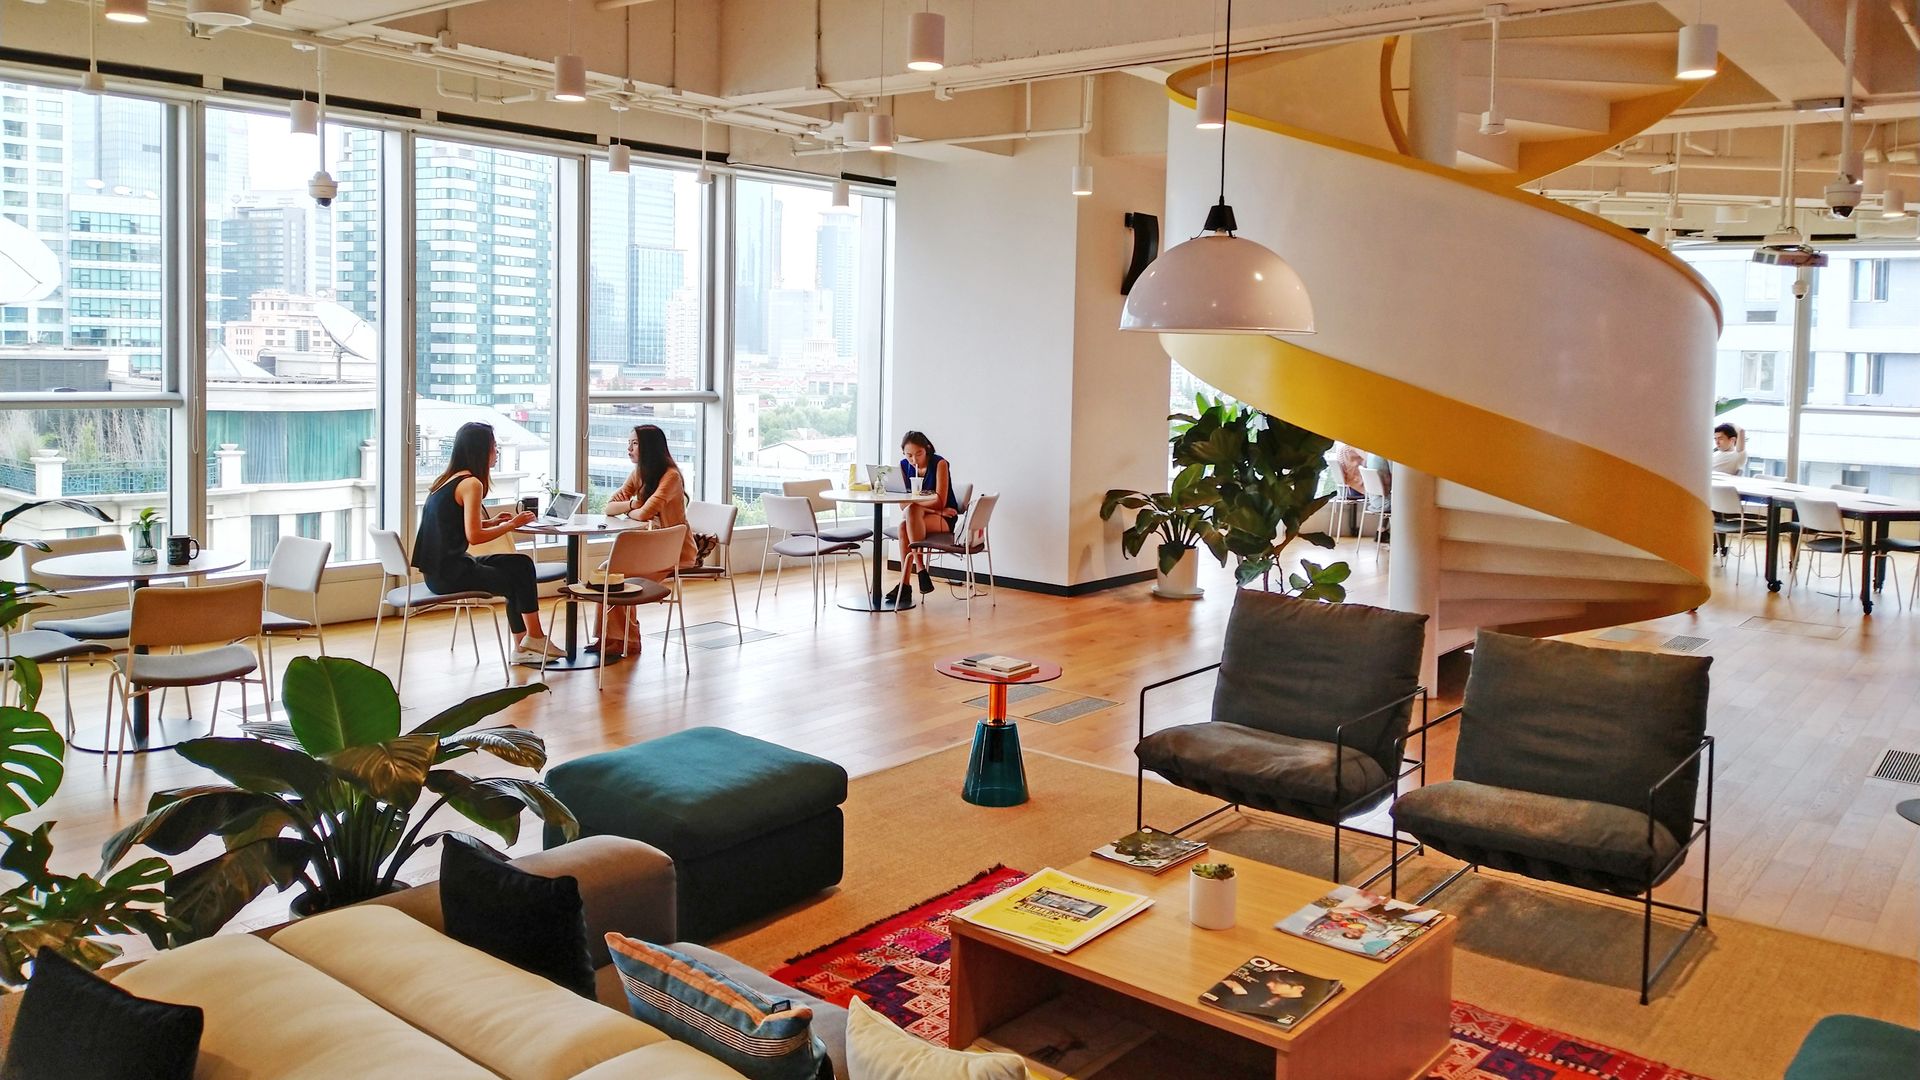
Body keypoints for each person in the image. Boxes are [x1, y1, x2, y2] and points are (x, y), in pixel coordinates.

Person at [413, 422, 555, 665]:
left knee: (520, 564)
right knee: (516, 581)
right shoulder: (472, 484)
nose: (497, 452)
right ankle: (532, 639)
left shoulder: (447, 480)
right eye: (493, 447)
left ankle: (528, 644)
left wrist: (493, 523)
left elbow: (457, 525)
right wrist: (511, 524)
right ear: (480, 450)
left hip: (441, 570)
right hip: (451, 574)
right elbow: (474, 536)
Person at [597, 424, 699, 658]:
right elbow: (610, 507)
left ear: (649, 448)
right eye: (629, 443)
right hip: (648, 548)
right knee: (607, 572)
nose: (629, 448)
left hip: (673, 551)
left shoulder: (671, 476)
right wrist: (633, 504)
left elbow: (644, 515)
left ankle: (625, 640)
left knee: (617, 574)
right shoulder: (639, 473)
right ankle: (612, 638)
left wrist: (634, 509)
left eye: (634, 443)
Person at [893, 430, 961, 606]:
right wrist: (936, 511)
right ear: (903, 453)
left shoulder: (940, 464)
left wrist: (935, 510)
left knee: (911, 512)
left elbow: (940, 501)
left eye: (919, 454)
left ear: (927, 449)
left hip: (945, 520)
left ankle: (912, 577)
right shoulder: (903, 466)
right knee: (904, 524)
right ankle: (915, 575)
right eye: (909, 455)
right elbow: (903, 505)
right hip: (932, 516)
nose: (914, 460)